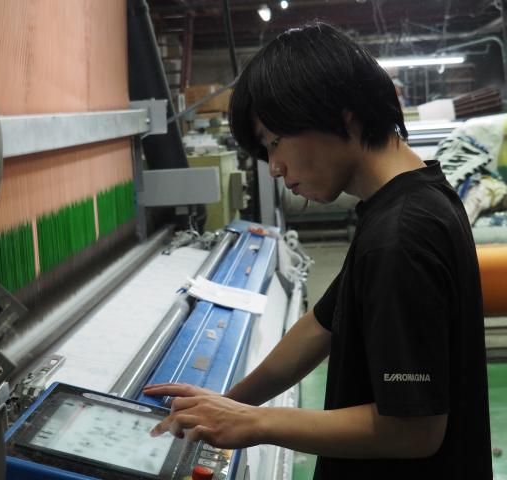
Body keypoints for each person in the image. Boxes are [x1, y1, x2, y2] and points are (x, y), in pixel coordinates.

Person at [144, 22, 492, 479]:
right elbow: (321, 325)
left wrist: (255, 422)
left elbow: (415, 429)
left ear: (343, 115)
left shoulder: (401, 235)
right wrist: (229, 403)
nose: (274, 168)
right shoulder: (411, 199)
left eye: (275, 142)